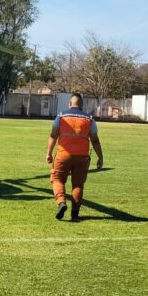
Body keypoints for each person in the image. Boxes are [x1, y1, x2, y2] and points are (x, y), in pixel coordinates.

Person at [46, 93, 104, 221]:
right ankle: (75, 213)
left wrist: (49, 153)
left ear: (69, 104)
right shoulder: (89, 119)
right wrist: (100, 157)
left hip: (63, 155)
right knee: (78, 185)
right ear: (82, 105)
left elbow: (53, 135)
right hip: (82, 157)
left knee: (57, 179)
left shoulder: (61, 116)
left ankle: (61, 202)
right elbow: (95, 140)